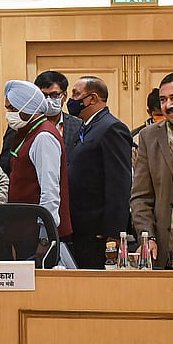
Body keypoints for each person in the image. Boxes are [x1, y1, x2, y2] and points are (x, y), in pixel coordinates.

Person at [64, 76, 132, 269]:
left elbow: (119, 183)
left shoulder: (111, 128)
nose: (71, 100)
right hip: (80, 226)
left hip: (98, 231)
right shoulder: (85, 126)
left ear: (92, 98)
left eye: (76, 94)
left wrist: (114, 231)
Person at [131, 72, 173, 268]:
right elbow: (141, 197)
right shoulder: (149, 136)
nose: (168, 105)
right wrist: (147, 237)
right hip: (166, 250)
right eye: (163, 99)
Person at [3, 80, 73, 238]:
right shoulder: (28, 132)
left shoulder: (43, 136)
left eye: (12, 108)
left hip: (37, 232)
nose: (9, 114)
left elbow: (50, 191)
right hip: (24, 228)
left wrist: (44, 236)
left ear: (27, 107)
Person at [0, 71, 82, 174]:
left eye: (54, 95)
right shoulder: (21, 124)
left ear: (64, 95)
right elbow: (6, 163)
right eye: (43, 95)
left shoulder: (77, 125)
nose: (48, 100)